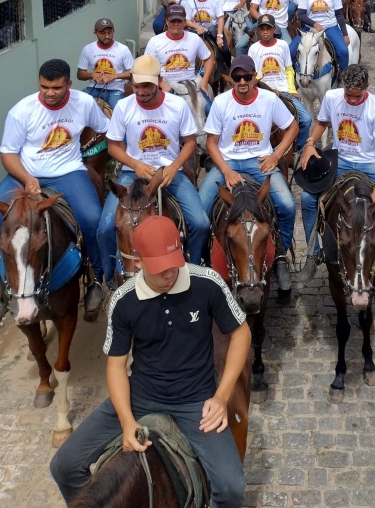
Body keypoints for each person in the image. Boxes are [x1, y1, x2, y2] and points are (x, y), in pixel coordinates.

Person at [49, 215, 250, 508]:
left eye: (174, 266)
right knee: (63, 466)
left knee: (232, 489)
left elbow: (240, 334)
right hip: (141, 396)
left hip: (196, 400)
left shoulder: (207, 283)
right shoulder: (123, 300)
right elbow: (116, 366)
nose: (169, 275)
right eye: (160, 270)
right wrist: (128, 422)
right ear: (139, 262)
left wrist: (221, 397)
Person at [0, 59, 109, 322]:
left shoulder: (84, 103)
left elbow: (105, 130)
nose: (49, 92)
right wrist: (27, 178)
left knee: (93, 220)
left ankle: (95, 280)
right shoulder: (22, 111)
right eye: (44, 86)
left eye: (56, 87)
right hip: (23, 176)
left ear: (68, 84)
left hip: (68, 172)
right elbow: (8, 153)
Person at [296, 64, 375, 284]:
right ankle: (314, 252)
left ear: (366, 89)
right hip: (340, 160)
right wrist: (310, 142)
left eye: (356, 96)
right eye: (348, 95)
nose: (351, 100)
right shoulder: (332, 97)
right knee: (307, 198)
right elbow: (322, 122)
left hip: (369, 163)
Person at [97, 55, 210, 279]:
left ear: (159, 80)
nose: (140, 92)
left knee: (200, 223)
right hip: (132, 174)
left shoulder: (176, 105)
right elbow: (113, 147)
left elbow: (189, 142)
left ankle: (196, 270)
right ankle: (109, 279)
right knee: (105, 227)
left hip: (170, 174)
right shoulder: (123, 106)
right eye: (136, 86)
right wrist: (135, 164)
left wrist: (174, 166)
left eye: (146, 86)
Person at [198, 56, 299, 290]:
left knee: (287, 205)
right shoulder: (221, 102)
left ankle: (281, 255)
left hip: (258, 160)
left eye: (247, 76)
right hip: (229, 160)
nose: (242, 81)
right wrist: (225, 169)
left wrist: (276, 155)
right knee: (200, 212)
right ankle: (201, 259)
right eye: (237, 77)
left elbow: (292, 127)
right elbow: (211, 143)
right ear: (231, 79)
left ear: (255, 77)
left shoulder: (269, 99)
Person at [247, 14, 312, 151]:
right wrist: (268, 89)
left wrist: (292, 90)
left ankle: (297, 150)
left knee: (306, 119)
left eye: (268, 28)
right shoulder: (253, 49)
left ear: (274, 29)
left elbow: (289, 69)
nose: (265, 32)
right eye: (262, 29)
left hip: (284, 91)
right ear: (258, 30)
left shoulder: (283, 45)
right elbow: (253, 75)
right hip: (263, 92)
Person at [144, 3, 215, 96]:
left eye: (179, 21)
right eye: (173, 21)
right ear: (166, 21)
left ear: (185, 22)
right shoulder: (155, 42)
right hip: (165, 86)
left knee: (207, 109)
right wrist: (161, 84)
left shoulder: (195, 39)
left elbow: (209, 58)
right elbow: (146, 67)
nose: (176, 24)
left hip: (190, 85)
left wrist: (204, 83)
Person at [296, 0, 351, 71]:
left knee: (343, 51)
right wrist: (314, 24)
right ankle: (295, 77)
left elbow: (339, 15)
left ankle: (343, 77)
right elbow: (300, 14)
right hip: (310, 28)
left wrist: (345, 34)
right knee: (292, 50)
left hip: (330, 27)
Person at [77, 17, 134, 109]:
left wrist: (114, 76)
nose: (107, 36)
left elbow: (132, 73)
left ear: (113, 32)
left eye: (109, 33)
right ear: (95, 33)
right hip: (93, 87)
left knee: (118, 111)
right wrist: (92, 75)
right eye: (103, 33)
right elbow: (80, 74)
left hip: (115, 89)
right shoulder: (88, 49)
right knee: (78, 105)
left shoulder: (122, 49)